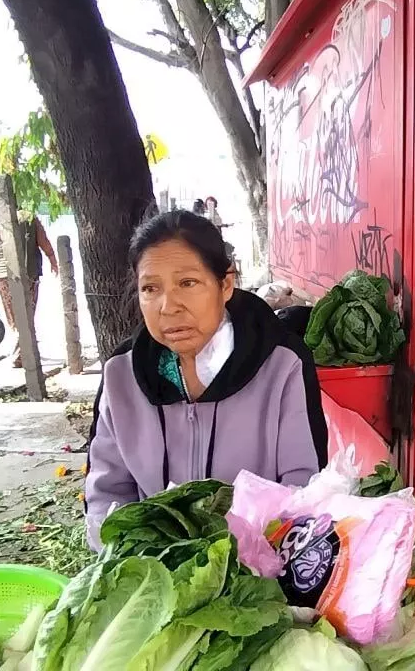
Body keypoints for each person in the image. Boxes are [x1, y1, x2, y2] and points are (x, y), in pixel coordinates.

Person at [84, 210, 327, 549]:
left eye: (188, 283)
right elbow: (106, 497)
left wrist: (241, 565)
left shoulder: (282, 365)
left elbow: (305, 490)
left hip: (258, 577)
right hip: (155, 576)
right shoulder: (122, 375)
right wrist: (138, 562)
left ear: (225, 284)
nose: (169, 306)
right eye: (151, 288)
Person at [0, 212, 59, 368]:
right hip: (28, 274)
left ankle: (24, 352)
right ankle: (22, 354)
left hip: (3, 275)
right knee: (27, 314)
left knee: (14, 316)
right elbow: (43, 242)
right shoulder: (29, 218)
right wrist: (52, 259)